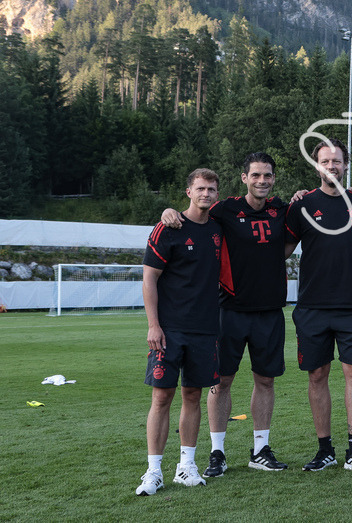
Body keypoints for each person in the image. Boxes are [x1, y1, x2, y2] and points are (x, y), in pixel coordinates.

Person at [161, 152, 292, 476]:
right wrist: (169, 212)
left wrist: (302, 195)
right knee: (220, 382)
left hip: (269, 311)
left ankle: (260, 450)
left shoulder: (282, 209)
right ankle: (217, 452)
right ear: (244, 177)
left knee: (266, 380)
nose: (262, 180)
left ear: (274, 178)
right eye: (256, 175)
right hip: (229, 309)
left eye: (267, 175)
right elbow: (194, 213)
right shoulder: (226, 208)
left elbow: (296, 231)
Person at [285, 139, 352, 475]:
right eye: (325, 161)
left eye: (337, 161)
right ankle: (324, 449)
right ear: (317, 166)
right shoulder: (302, 204)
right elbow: (279, 250)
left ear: (346, 165)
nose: (331, 166)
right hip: (312, 306)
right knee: (317, 375)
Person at [137, 169, 222, 495]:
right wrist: (153, 325)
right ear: (189, 192)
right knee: (161, 397)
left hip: (204, 329)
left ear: (216, 194)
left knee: (193, 396)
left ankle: (186, 467)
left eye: (211, 189)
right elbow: (149, 277)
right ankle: (153, 471)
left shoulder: (218, 228)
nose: (205, 194)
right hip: (169, 329)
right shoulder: (169, 227)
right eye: (200, 188)